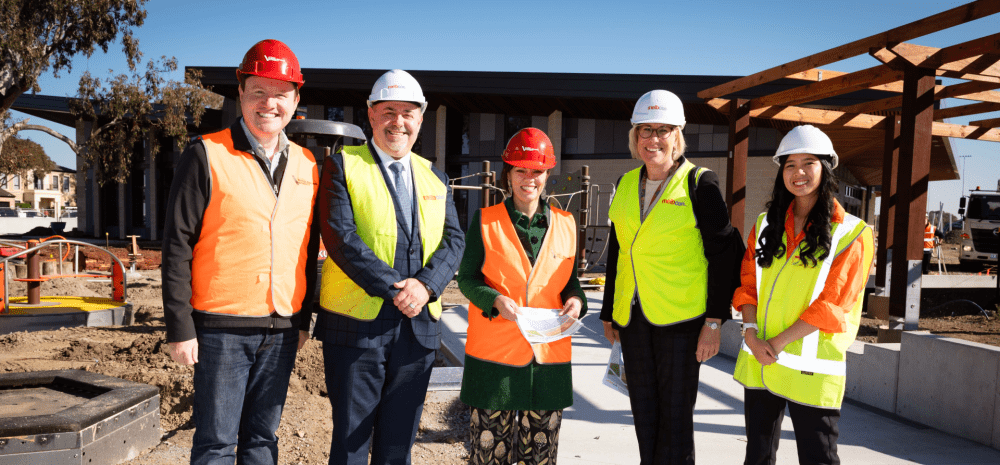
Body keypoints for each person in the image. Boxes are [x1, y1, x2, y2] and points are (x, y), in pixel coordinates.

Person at [162, 39, 319, 465]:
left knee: (263, 439)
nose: (269, 103)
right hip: (221, 329)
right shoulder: (206, 154)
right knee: (216, 443)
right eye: (258, 92)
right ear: (241, 94)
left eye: (281, 93)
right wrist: (180, 327)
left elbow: (306, 249)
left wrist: (303, 319)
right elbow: (176, 246)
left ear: (296, 100)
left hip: (282, 328)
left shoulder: (307, 164)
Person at [315, 69, 464, 465]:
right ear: (371, 114)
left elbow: (454, 240)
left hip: (418, 331)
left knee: (398, 448)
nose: (399, 122)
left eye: (408, 113)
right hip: (356, 328)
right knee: (350, 446)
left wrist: (425, 286)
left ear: (421, 119)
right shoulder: (341, 166)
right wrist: (399, 290)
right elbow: (341, 238)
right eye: (388, 111)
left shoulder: (435, 176)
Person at [600, 89, 743, 465]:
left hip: (682, 321)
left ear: (677, 135)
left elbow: (725, 255)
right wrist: (609, 312)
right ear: (635, 137)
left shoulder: (700, 183)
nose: (653, 139)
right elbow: (619, 251)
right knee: (644, 415)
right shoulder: (626, 182)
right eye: (645, 130)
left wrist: (714, 321)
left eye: (662, 130)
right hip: (633, 319)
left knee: (675, 422)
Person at [732, 125, 875, 465]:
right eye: (790, 164)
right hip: (761, 361)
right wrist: (750, 334)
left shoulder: (852, 233)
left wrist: (775, 344)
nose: (798, 173)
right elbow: (748, 285)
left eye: (808, 163)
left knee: (818, 458)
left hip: (810, 371)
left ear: (825, 168)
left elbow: (832, 306)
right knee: (757, 457)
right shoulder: (765, 225)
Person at [456, 128, 587, 465]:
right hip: (494, 359)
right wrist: (494, 300)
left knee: (541, 458)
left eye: (537, 171)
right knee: (488, 457)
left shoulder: (566, 224)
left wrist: (576, 302)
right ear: (508, 174)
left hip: (547, 362)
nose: (529, 179)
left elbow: (571, 283)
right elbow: (467, 279)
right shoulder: (485, 222)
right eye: (521, 170)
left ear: (547, 174)